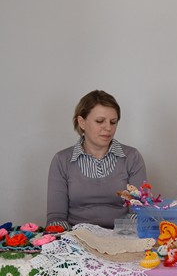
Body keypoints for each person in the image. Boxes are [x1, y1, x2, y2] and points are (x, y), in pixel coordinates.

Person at [47, 90, 147, 229]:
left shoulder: (132, 157)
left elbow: (138, 212)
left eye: (113, 122)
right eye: (100, 121)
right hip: (76, 236)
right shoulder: (61, 160)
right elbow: (56, 218)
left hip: (122, 236)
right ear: (82, 122)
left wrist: (117, 237)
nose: (108, 128)